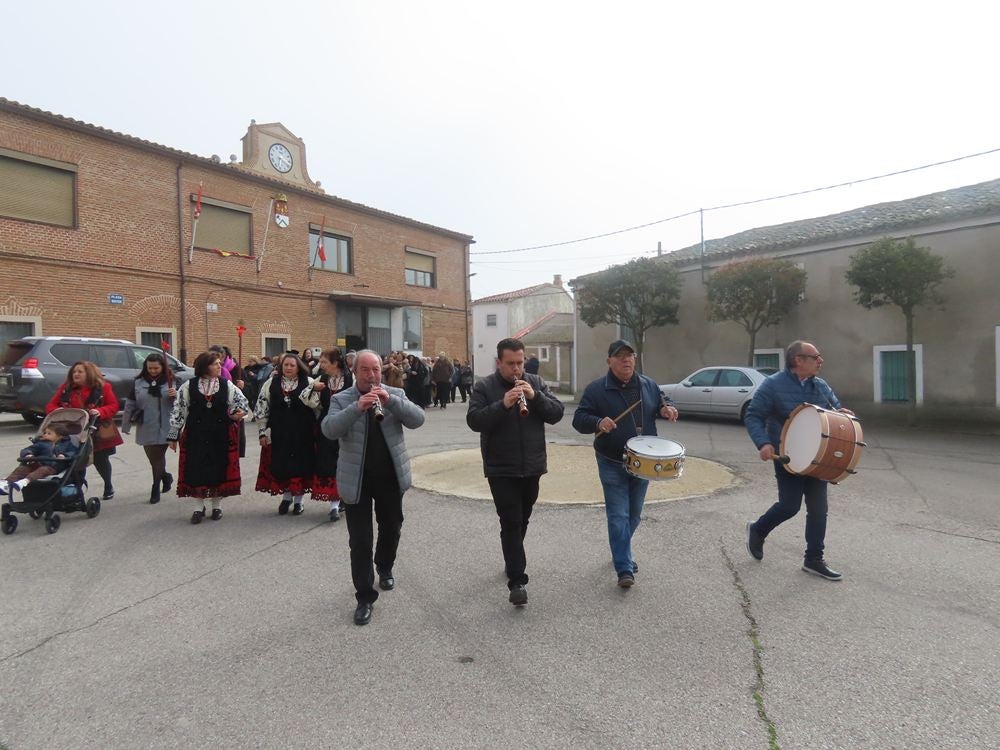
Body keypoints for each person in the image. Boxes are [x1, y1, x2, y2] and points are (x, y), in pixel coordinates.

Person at [321, 350, 425, 626]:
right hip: (357, 480)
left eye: (376, 370)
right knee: (360, 540)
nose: (371, 375)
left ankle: (385, 565)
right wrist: (357, 408)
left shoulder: (394, 394)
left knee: (392, 527)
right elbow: (329, 430)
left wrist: (391, 402)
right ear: (355, 372)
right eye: (365, 370)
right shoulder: (342, 398)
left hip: (390, 477)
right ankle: (364, 597)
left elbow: (418, 419)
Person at [572, 340, 679, 588]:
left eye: (629, 355)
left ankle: (621, 551)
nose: (626, 360)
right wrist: (598, 422)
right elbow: (579, 419)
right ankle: (624, 568)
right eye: (619, 356)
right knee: (618, 515)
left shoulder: (648, 385)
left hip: (644, 461)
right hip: (611, 460)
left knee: (634, 515)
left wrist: (668, 409)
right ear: (609, 361)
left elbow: (663, 400)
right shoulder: (597, 389)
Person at [744, 340, 853, 581]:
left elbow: (833, 410)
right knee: (789, 506)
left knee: (818, 509)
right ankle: (758, 529)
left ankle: (813, 559)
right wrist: (763, 443)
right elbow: (753, 415)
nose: (820, 361)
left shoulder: (821, 385)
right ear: (798, 361)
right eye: (815, 357)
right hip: (788, 455)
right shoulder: (772, 386)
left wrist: (842, 414)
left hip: (817, 456)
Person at [467, 338, 565, 606]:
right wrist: (503, 404)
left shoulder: (534, 382)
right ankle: (517, 580)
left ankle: (512, 556)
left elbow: (557, 413)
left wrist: (536, 397)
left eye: (520, 363)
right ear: (499, 362)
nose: (516, 369)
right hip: (501, 467)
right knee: (510, 521)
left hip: (532, 466)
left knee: (522, 519)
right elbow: (474, 421)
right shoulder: (485, 386)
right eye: (510, 364)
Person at [168, 351, 249, 523]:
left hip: (220, 433)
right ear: (204, 367)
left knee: (218, 469)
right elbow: (179, 410)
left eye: (220, 363)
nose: (220, 366)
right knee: (196, 469)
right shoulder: (189, 386)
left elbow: (241, 403)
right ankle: (198, 508)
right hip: (196, 434)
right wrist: (173, 434)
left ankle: (216, 506)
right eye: (215, 364)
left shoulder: (227, 385)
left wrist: (237, 413)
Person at [45, 360, 122, 500]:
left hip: (96, 429)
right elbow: (50, 405)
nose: (76, 374)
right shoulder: (66, 388)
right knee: (76, 459)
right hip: (73, 430)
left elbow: (113, 405)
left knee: (100, 459)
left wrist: (100, 411)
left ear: (89, 373)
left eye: (80, 371)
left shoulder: (103, 387)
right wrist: (59, 411)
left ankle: (108, 484)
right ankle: (75, 489)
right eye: (74, 371)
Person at [254, 353, 318, 516]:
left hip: (303, 432)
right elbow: (262, 408)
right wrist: (262, 432)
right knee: (282, 465)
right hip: (279, 432)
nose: (288, 368)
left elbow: (317, 407)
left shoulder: (309, 383)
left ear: (298, 367)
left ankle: (299, 501)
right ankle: (286, 497)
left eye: (292, 365)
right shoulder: (271, 383)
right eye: (286, 365)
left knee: (300, 465)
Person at [302, 348, 352, 521]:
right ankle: (334, 505)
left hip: (347, 426)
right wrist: (313, 389)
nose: (321, 365)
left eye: (324, 362)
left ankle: (344, 497)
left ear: (335, 363)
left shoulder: (350, 379)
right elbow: (304, 398)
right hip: (326, 426)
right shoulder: (321, 379)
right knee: (329, 463)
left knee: (344, 463)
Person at [121, 352, 178, 504]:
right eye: (150, 368)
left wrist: (176, 395)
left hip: (167, 425)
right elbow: (130, 404)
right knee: (154, 459)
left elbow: (181, 404)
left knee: (158, 457)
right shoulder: (138, 383)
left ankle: (155, 487)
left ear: (162, 367)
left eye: (156, 368)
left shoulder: (171, 381)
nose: (153, 371)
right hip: (146, 424)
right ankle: (165, 476)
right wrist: (126, 423)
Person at [0, 424, 78, 494]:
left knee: (43, 470)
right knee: (22, 468)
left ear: (60, 436)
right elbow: (28, 449)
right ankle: (7, 483)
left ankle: (25, 481)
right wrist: (28, 455)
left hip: (54, 467)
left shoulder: (67, 444)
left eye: (49, 433)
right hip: (37, 464)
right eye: (45, 433)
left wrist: (64, 455)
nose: (45, 435)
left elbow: (73, 452)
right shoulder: (42, 443)